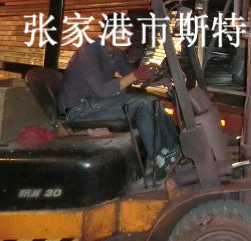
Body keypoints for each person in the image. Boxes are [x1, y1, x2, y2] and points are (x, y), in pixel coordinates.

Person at [58, 36, 180, 173]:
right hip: (79, 108)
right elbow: (103, 89)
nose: (127, 37)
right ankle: (158, 160)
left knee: (154, 102)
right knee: (143, 105)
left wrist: (156, 74)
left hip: (97, 101)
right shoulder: (90, 50)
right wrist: (137, 74)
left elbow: (132, 77)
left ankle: (175, 150)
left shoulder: (116, 52)